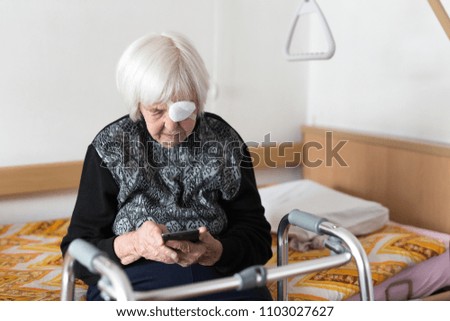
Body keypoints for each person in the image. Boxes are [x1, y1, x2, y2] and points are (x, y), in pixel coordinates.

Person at [60, 32, 273, 301]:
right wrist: (135, 244)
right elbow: (76, 252)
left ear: (198, 101)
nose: (172, 127)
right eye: (157, 111)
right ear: (138, 104)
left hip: (219, 279)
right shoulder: (110, 147)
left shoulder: (224, 141)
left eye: (183, 111)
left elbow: (258, 238)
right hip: (134, 281)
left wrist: (216, 251)